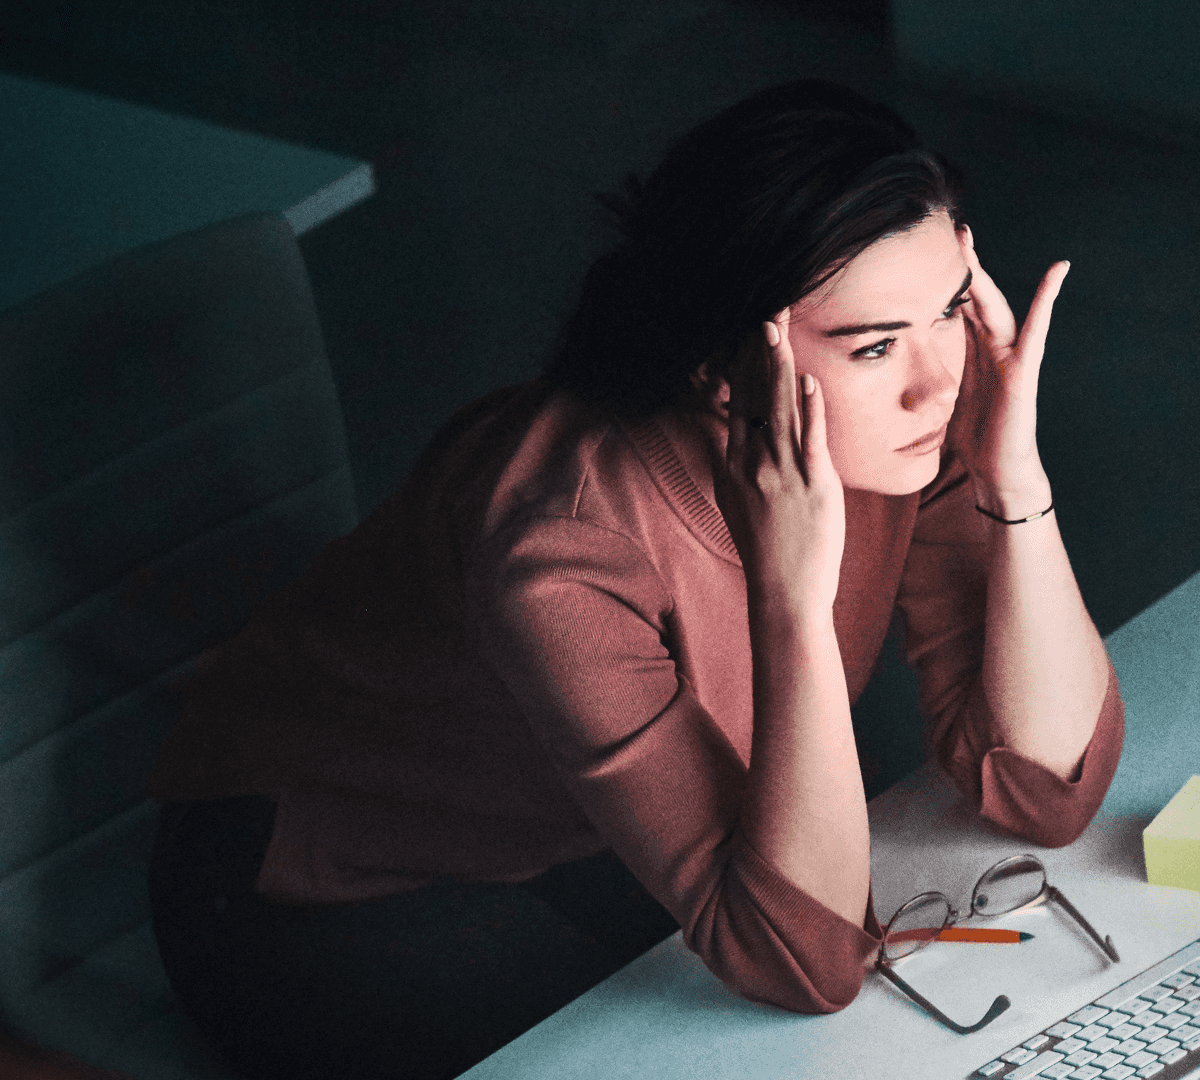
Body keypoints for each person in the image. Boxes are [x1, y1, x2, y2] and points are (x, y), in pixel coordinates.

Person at [145, 79, 1125, 1080]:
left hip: (570, 829)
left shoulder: (907, 430)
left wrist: (1016, 482)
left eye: (952, 309)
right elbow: (809, 962)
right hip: (327, 875)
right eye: (874, 345)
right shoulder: (558, 546)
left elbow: (1045, 795)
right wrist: (791, 597)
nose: (942, 378)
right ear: (726, 367)